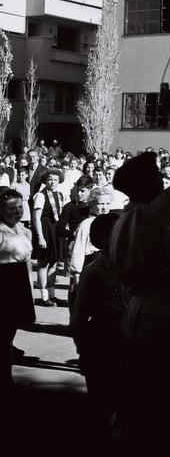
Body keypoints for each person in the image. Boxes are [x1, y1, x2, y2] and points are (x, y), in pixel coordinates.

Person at [109, 84, 170, 453]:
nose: (167, 183)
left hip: (138, 308)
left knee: (142, 388)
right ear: (149, 186)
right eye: (161, 180)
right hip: (161, 311)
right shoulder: (150, 214)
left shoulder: (125, 218)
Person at [69, 213, 125, 432]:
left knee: (127, 399)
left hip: (129, 337)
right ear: (101, 239)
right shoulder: (93, 272)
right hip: (103, 338)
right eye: (116, 233)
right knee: (102, 401)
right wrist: (83, 350)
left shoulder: (133, 265)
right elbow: (79, 316)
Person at [0, 189, 35, 394]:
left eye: (20, 207)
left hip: (18, 281)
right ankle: (5, 380)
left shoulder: (23, 229)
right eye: (11, 208)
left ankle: (6, 376)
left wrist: (29, 287)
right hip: (3, 282)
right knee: (3, 337)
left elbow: (27, 262)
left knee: (9, 335)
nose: (18, 211)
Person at [31, 169, 65, 306]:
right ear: (45, 180)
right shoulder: (41, 195)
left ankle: (52, 294)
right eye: (50, 179)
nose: (52, 182)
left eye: (56, 180)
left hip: (55, 230)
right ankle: (44, 296)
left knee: (54, 263)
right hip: (44, 230)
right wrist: (40, 237)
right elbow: (36, 218)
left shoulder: (60, 195)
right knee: (43, 263)